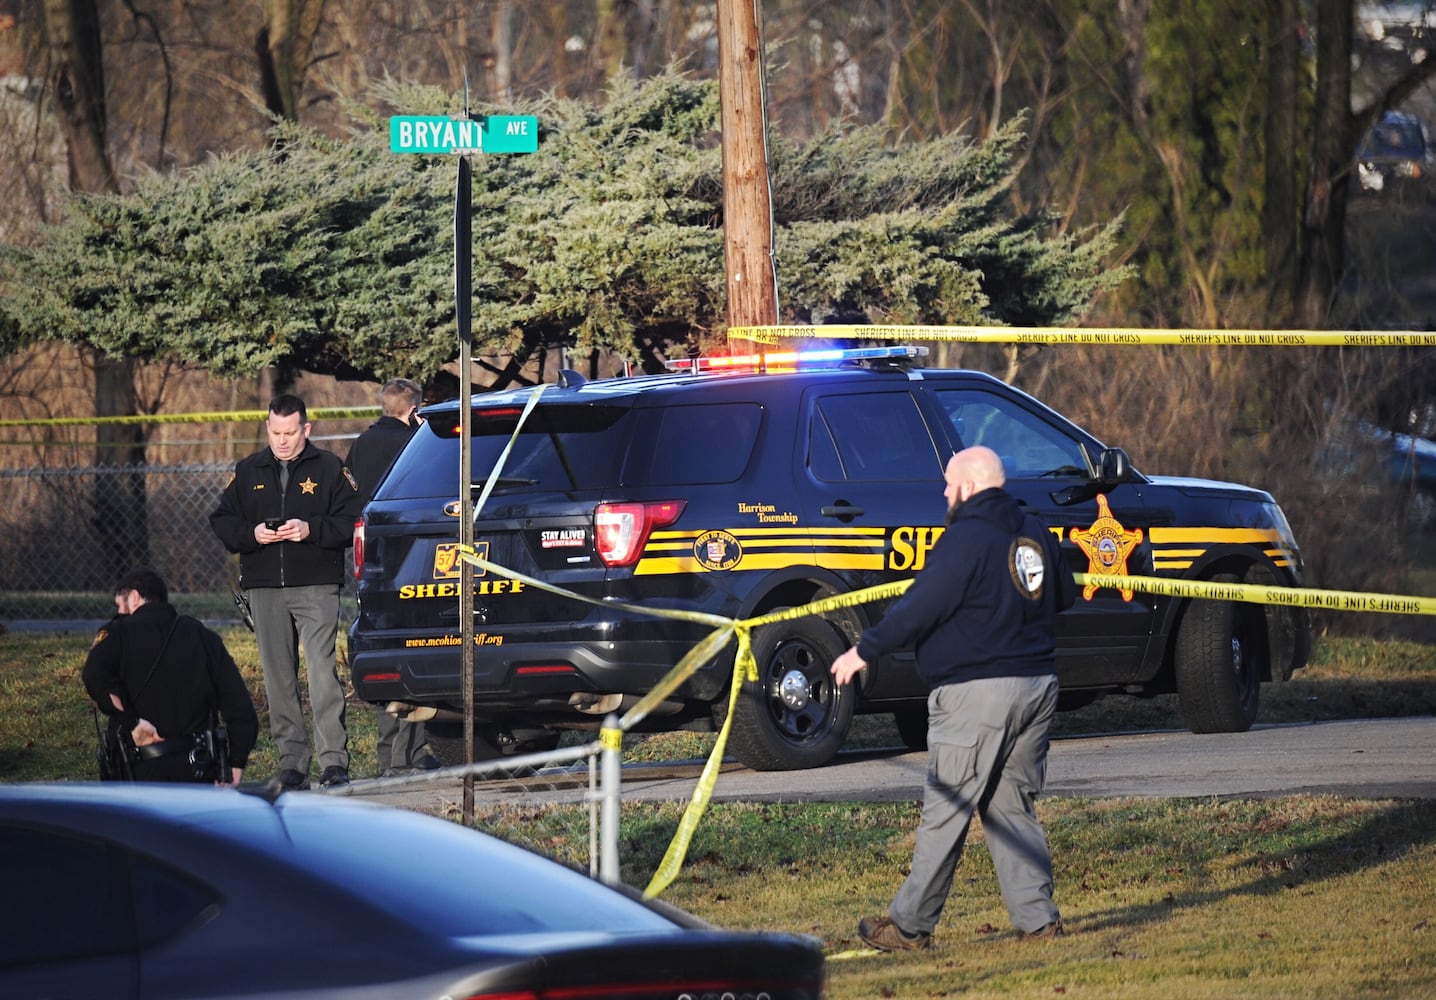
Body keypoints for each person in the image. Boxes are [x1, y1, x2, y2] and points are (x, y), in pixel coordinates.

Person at [830, 446, 1076, 951]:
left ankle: (911, 926)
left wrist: (863, 651)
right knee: (1012, 808)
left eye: (948, 483)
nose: (944, 492)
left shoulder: (965, 538)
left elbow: (920, 606)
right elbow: (1063, 596)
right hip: (1037, 687)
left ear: (968, 486)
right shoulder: (1034, 532)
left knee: (946, 809)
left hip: (976, 695)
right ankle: (1039, 921)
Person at [210, 394, 364, 790]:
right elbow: (222, 520)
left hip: (315, 584)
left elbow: (353, 519)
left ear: (306, 429)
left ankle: (333, 762)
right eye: (276, 432)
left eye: (290, 433)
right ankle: (292, 764)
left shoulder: (329, 468)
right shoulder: (248, 471)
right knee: (279, 678)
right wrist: (252, 534)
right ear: (267, 429)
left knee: (321, 673)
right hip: (265, 587)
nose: (282, 440)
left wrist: (312, 529)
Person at [344, 377, 441, 776]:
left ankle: (394, 755)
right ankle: (408, 754)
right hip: (413, 561)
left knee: (385, 652)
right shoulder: (415, 445)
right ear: (414, 410)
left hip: (374, 564)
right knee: (417, 651)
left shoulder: (361, 445)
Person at [83, 568, 259, 784]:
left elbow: (93, 676)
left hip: (137, 772)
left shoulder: (117, 633)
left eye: (120, 605)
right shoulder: (203, 637)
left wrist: (133, 724)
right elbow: (239, 707)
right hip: (197, 768)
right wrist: (235, 762)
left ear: (135, 597)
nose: (119, 613)